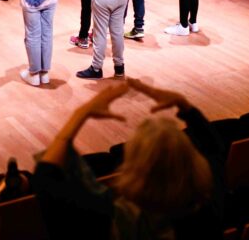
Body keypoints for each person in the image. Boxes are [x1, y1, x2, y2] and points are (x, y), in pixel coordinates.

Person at [33, 79, 225, 240]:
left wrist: (81, 113)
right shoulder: (209, 207)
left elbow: (45, 178)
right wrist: (184, 105)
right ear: (194, 164)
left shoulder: (108, 222)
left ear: (132, 167)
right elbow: (214, 149)